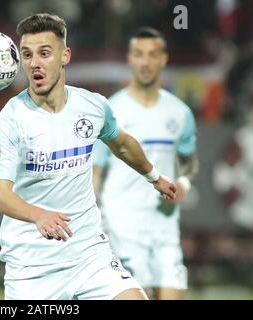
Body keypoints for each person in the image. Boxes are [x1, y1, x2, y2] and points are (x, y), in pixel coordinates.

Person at [0, 14, 176, 300]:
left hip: (88, 255)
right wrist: (39, 215)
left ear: (65, 56)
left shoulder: (93, 106)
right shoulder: (11, 119)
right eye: (27, 55)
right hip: (32, 267)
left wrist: (154, 176)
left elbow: (123, 144)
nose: (34, 63)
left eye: (44, 53)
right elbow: (0, 194)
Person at [92, 27, 199, 300]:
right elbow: (96, 172)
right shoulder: (112, 110)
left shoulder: (180, 113)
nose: (145, 62)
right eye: (138, 54)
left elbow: (190, 162)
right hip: (121, 227)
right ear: (129, 59)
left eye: (152, 55)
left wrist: (184, 183)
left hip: (165, 229)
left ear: (163, 59)